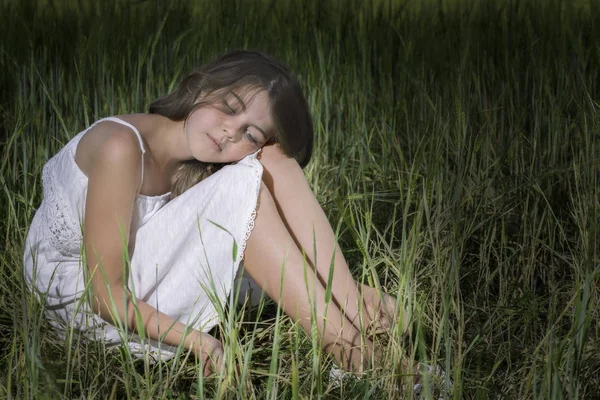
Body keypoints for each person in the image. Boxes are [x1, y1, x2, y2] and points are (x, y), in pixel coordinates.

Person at [23, 49, 403, 377]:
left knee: (274, 159)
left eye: (250, 134)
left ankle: (357, 310)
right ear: (204, 88)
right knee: (244, 195)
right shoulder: (121, 147)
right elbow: (104, 295)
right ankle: (350, 351)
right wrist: (200, 343)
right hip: (83, 304)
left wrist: (262, 148)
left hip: (139, 272)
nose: (229, 133)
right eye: (229, 108)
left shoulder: (197, 161)